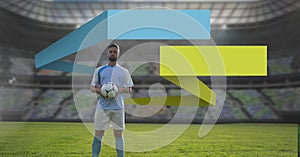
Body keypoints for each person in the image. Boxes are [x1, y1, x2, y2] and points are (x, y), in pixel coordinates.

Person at [90, 43, 134, 157]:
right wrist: (99, 91)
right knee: (98, 134)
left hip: (118, 107)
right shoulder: (99, 70)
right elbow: (92, 87)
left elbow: (129, 89)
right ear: (107, 53)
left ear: (118, 54)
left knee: (118, 135)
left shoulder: (124, 71)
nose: (113, 53)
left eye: (115, 52)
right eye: (111, 52)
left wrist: (119, 90)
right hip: (102, 107)